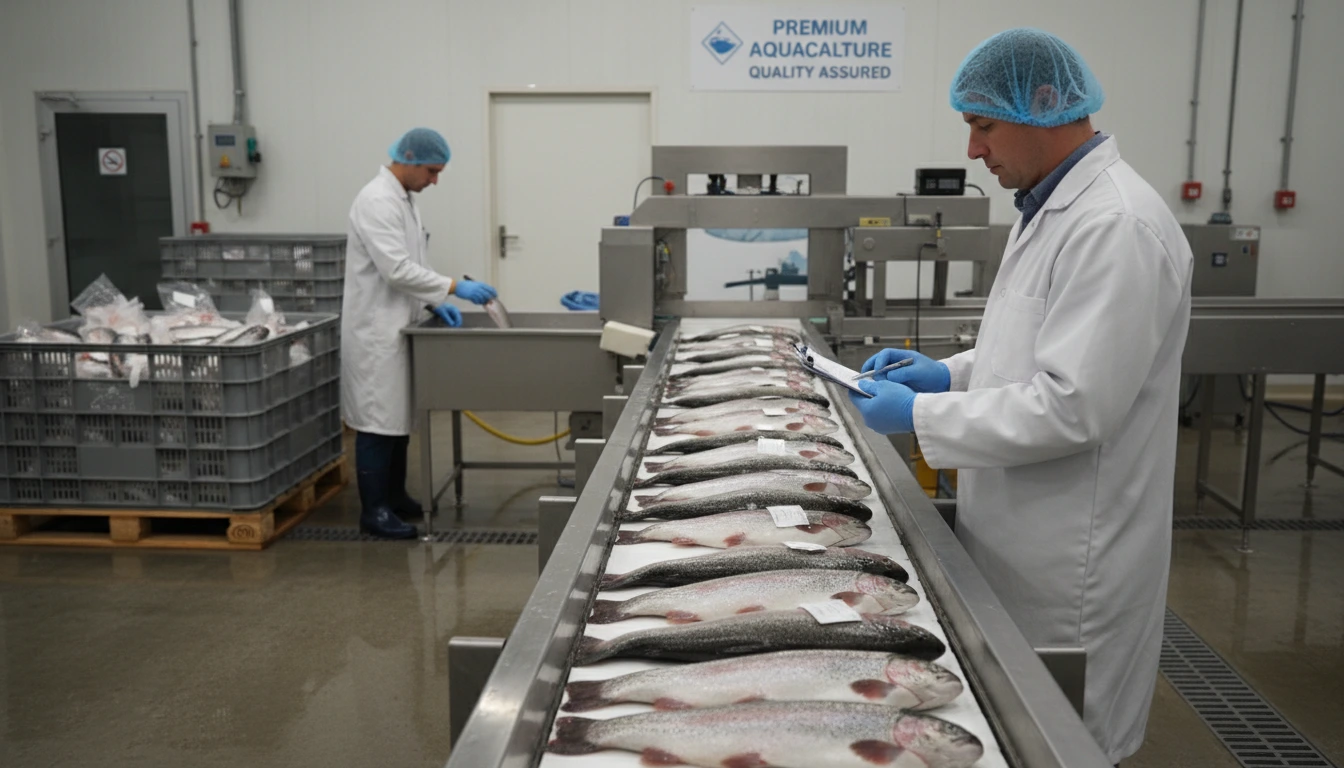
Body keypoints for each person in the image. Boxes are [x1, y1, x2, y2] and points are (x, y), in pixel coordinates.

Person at [850, 29, 1192, 763]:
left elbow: (1076, 404)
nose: (974, 151)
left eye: (982, 125)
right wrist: (950, 374)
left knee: (1063, 743)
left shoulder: (1116, 225)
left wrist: (920, 416)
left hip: (1072, 565)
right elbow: (1028, 356)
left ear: (1045, 106)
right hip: (1014, 537)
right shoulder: (1048, 206)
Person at [342, 128, 498, 539]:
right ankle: (373, 512)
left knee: (398, 418)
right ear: (408, 159)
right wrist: (453, 287)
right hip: (376, 332)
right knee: (377, 421)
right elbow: (395, 269)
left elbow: (411, 264)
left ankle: (394, 497)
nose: (434, 180)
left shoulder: (403, 200)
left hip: (400, 324)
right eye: (431, 171)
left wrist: (433, 303)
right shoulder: (377, 200)